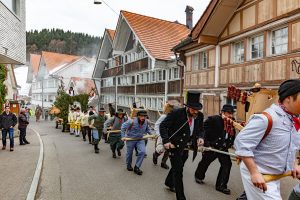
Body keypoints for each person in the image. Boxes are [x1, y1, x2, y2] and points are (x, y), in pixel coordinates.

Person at [234, 79, 300, 199]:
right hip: (259, 174)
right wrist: (254, 173)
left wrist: (294, 164)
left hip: (274, 177)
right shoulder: (266, 119)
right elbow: (241, 143)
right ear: (288, 98)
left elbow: (292, 146)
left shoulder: (294, 121)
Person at [160, 91, 204, 200]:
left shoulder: (199, 116)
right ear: (187, 107)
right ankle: (181, 196)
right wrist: (166, 141)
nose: (195, 112)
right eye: (193, 110)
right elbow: (163, 126)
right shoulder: (177, 113)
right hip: (174, 145)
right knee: (179, 170)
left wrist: (201, 137)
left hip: (187, 146)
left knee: (178, 167)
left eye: (197, 110)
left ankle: (169, 182)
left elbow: (201, 129)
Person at [194, 104, 236, 195]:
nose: (231, 115)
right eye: (229, 113)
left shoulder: (232, 122)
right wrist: (206, 144)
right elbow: (203, 131)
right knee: (205, 162)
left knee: (227, 164)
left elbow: (232, 134)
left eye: (232, 113)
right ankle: (198, 176)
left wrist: (230, 143)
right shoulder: (213, 119)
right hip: (212, 146)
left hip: (223, 147)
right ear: (222, 112)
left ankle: (221, 185)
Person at [121, 110, 151, 175]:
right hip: (130, 139)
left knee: (142, 152)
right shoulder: (131, 121)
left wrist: (151, 134)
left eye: (144, 116)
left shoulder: (146, 122)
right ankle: (128, 165)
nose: (143, 117)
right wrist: (123, 136)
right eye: (141, 116)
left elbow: (148, 129)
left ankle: (137, 167)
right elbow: (123, 127)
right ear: (138, 116)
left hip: (140, 139)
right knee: (129, 153)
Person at [153, 103, 175, 169]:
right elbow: (157, 124)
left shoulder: (174, 117)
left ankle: (163, 162)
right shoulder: (164, 116)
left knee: (168, 149)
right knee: (160, 149)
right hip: (161, 135)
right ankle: (155, 155)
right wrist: (158, 134)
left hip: (169, 136)